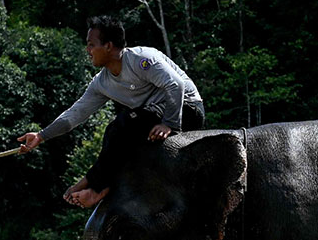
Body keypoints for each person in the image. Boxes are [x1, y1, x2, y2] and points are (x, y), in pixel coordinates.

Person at [17, 16, 205, 208]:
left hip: (186, 108)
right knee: (115, 132)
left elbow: (175, 84)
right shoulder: (102, 82)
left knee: (122, 125)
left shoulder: (142, 59)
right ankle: (99, 184)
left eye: (91, 45)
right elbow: (75, 114)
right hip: (149, 117)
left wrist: (170, 124)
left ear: (108, 46)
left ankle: (95, 186)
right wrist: (41, 136)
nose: (88, 51)